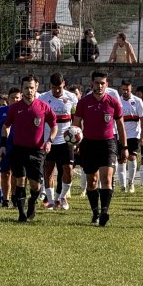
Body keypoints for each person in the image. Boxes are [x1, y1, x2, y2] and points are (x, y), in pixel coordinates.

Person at [73, 70, 128, 226]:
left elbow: (120, 125)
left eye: (102, 83)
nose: (99, 86)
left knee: (107, 178)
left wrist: (124, 146)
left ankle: (104, 211)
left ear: (107, 84)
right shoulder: (84, 102)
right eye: (97, 83)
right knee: (92, 181)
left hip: (108, 143)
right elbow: (76, 125)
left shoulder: (113, 102)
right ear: (92, 83)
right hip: (89, 143)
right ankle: (95, 213)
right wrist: (75, 143)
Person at [0, 75, 56, 222]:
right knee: (20, 180)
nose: (29, 90)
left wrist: (49, 140)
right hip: (18, 149)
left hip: (37, 151)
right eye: (26, 88)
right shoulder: (15, 108)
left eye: (31, 87)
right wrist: (3, 144)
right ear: (22, 89)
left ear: (36, 87)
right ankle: (21, 214)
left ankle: (32, 203)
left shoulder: (43, 107)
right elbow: (6, 126)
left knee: (35, 185)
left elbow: (54, 125)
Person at [39, 72, 79, 210]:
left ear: (64, 85)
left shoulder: (72, 97)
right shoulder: (43, 98)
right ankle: (50, 200)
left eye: (59, 88)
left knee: (68, 169)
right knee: (48, 170)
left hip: (66, 140)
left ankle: (62, 197)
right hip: (48, 141)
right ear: (50, 85)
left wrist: (78, 139)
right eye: (54, 87)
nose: (56, 90)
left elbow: (76, 119)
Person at [117, 80, 143, 193]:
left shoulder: (137, 101)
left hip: (134, 134)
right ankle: (122, 185)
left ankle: (131, 183)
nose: (125, 92)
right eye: (123, 89)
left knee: (132, 157)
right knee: (121, 160)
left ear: (131, 89)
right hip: (120, 135)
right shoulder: (117, 101)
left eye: (127, 90)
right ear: (121, 89)